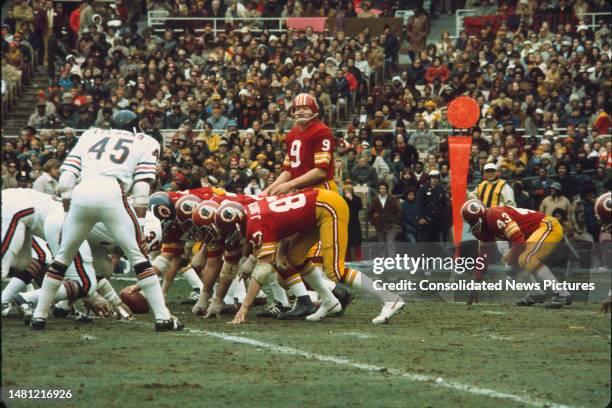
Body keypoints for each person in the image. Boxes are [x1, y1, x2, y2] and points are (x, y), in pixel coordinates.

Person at [30, 110, 183, 331]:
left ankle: (39, 315)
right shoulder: (146, 141)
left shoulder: (91, 134)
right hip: (112, 191)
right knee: (139, 258)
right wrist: (139, 222)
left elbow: (66, 178)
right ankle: (163, 318)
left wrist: (68, 205)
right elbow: (141, 187)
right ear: (137, 125)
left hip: (82, 191)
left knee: (62, 258)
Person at [215, 191, 405, 325]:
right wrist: (281, 251)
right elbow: (284, 223)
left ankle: (390, 298)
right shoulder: (253, 212)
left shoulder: (256, 225)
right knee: (295, 258)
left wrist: (244, 308)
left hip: (328, 206)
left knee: (335, 270)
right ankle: (329, 301)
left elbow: (263, 270)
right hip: (314, 209)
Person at [462, 199, 572, 308]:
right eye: (469, 222)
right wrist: (476, 284)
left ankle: (562, 293)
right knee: (511, 262)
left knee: (526, 258)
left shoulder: (494, 215)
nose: (471, 225)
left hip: (547, 225)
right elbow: (483, 256)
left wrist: (510, 263)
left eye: (472, 221)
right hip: (529, 235)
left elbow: (519, 243)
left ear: (481, 217)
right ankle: (536, 293)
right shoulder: (482, 231)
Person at [264, 93, 336, 195]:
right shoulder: (291, 135)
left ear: (314, 111)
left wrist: (290, 185)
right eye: (297, 109)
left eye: (305, 108)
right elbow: (288, 171)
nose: (301, 111)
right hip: (301, 190)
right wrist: (268, 190)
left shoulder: (322, 131)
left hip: (321, 188)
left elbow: (320, 171)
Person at [368, 181, 400, 257]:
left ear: (387, 189)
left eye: (384, 188)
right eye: (381, 188)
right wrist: (374, 222)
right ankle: (384, 259)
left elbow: (398, 211)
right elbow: (370, 212)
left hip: (390, 224)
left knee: (390, 243)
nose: (383, 190)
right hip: (379, 225)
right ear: (378, 189)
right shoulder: (375, 199)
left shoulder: (392, 198)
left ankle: (391, 261)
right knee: (381, 244)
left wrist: (395, 222)